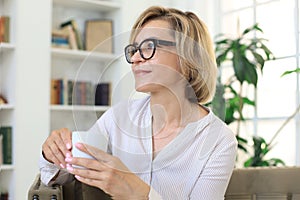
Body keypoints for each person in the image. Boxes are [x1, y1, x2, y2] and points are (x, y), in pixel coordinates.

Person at [40, 6, 237, 200]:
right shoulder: (119, 117)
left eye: (149, 47)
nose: (134, 58)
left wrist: (140, 194)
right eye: (134, 50)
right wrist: (54, 154)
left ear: (188, 56)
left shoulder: (219, 141)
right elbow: (69, 171)